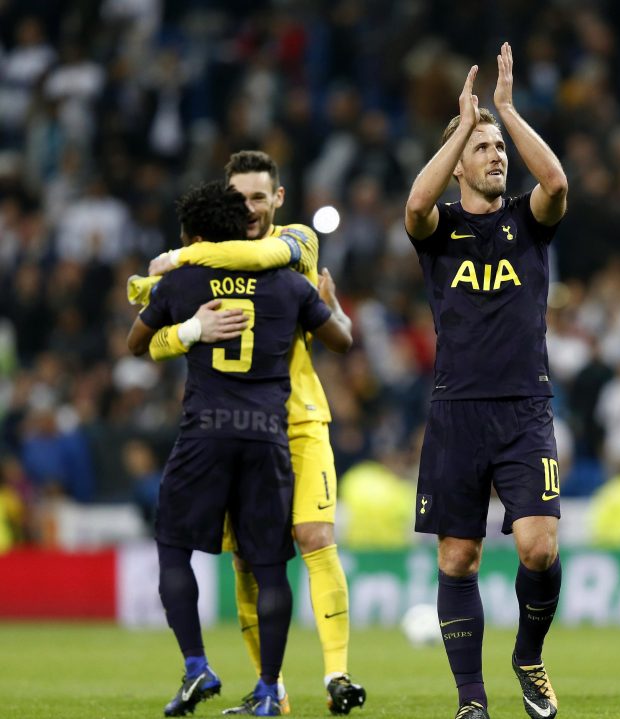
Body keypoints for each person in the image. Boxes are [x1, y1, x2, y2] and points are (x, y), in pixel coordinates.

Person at [139, 151, 366, 716]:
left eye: (259, 197)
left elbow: (259, 254)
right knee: (249, 561)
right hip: (247, 428)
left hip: (300, 419)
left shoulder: (297, 241)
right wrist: (185, 322)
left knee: (314, 536)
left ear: (279, 198)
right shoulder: (208, 268)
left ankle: (337, 673)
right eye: (238, 198)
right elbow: (154, 343)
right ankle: (274, 690)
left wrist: (167, 263)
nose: (249, 208)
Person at [404, 42, 567, 719]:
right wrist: (460, 124)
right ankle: (472, 700)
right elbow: (416, 203)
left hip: (526, 407)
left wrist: (501, 111)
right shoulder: (439, 231)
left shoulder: (528, 222)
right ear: (458, 164)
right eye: (484, 147)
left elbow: (556, 184)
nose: (496, 155)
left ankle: (528, 655)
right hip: (457, 410)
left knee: (539, 544)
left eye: (500, 148)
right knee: (460, 556)